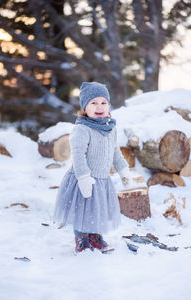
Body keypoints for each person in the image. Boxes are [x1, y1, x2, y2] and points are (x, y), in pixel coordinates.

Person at [53, 82, 130, 253]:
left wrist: (123, 170)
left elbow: (115, 150)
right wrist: (83, 177)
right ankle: (81, 237)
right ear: (84, 107)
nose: (99, 107)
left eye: (103, 102)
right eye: (93, 103)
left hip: (102, 179)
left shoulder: (110, 128)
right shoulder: (82, 129)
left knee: (96, 210)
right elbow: (78, 154)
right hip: (83, 178)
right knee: (82, 210)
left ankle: (94, 235)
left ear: (109, 105)